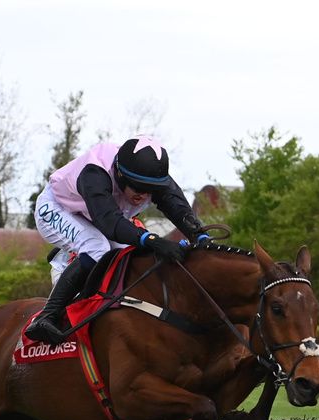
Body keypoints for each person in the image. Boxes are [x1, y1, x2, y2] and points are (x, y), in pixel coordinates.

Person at [26, 135, 208, 345]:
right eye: (138, 187)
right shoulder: (95, 172)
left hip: (91, 214)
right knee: (97, 247)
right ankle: (46, 317)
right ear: (120, 174)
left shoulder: (153, 176)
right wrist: (152, 239)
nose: (143, 195)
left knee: (131, 254)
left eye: (150, 190)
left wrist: (200, 235)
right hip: (57, 207)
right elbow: (109, 221)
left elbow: (178, 208)